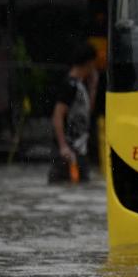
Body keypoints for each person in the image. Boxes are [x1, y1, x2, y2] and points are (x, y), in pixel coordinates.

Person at [49, 43, 99, 184]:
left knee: (81, 185)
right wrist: (63, 146)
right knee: (64, 185)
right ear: (89, 63)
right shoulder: (69, 85)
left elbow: (86, 113)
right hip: (68, 152)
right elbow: (57, 115)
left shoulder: (80, 86)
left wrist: (93, 87)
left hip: (80, 149)